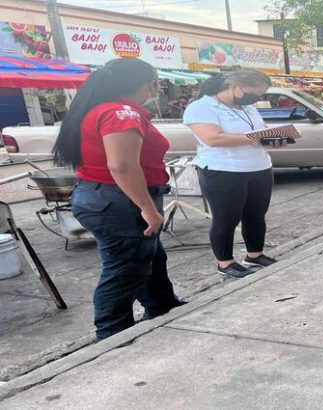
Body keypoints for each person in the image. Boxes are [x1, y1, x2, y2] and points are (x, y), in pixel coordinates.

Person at [52, 58, 184, 341]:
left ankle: (162, 306)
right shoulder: (121, 114)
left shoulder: (101, 109)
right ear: (148, 84)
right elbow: (122, 166)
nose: (156, 88)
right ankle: (112, 335)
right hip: (121, 200)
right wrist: (147, 208)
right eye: (156, 83)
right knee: (125, 268)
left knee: (149, 257)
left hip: (107, 196)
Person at [183, 70, 283, 278]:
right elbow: (213, 139)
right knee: (226, 218)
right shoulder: (201, 107)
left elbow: (259, 131)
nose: (257, 98)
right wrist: (258, 136)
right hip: (224, 171)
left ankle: (254, 255)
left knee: (256, 215)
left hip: (259, 167)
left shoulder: (247, 108)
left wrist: (273, 137)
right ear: (235, 86)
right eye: (254, 92)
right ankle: (225, 262)